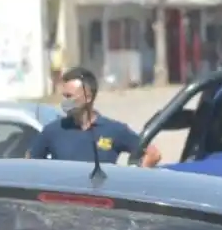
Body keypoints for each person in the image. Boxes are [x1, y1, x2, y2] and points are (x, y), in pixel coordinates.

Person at [26, 67, 161, 167]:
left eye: (69, 96)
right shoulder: (54, 131)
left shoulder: (113, 130)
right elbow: (30, 162)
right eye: (64, 96)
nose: (65, 102)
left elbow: (153, 154)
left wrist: (134, 178)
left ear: (88, 97)